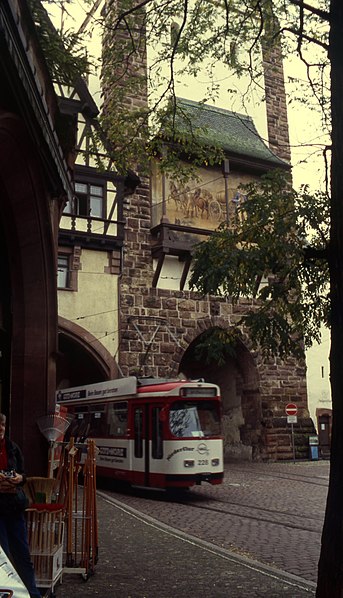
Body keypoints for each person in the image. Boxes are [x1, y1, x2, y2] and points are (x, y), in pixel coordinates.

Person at [0, 413, 41, 598]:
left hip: (14, 508)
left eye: (2, 424)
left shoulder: (13, 448)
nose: (0, 428)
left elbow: (24, 475)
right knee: (4, 557)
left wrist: (18, 478)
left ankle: (32, 594)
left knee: (23, 555)